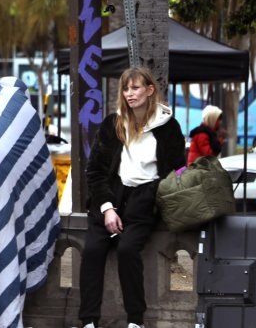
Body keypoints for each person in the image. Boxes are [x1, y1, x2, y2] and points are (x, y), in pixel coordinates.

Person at [79, 67, 186, 328]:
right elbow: (95, 171)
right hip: (110, 197)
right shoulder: (112, 123)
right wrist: (106, 208)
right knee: (92, 250)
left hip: (145, 198)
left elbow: (176, 171)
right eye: (126, 89)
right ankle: (88, 321)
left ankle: (135, 321)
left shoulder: (168, 126)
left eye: (135, 88)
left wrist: (153, 198)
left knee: (128, 250)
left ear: (150, 90)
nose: (129, 93)